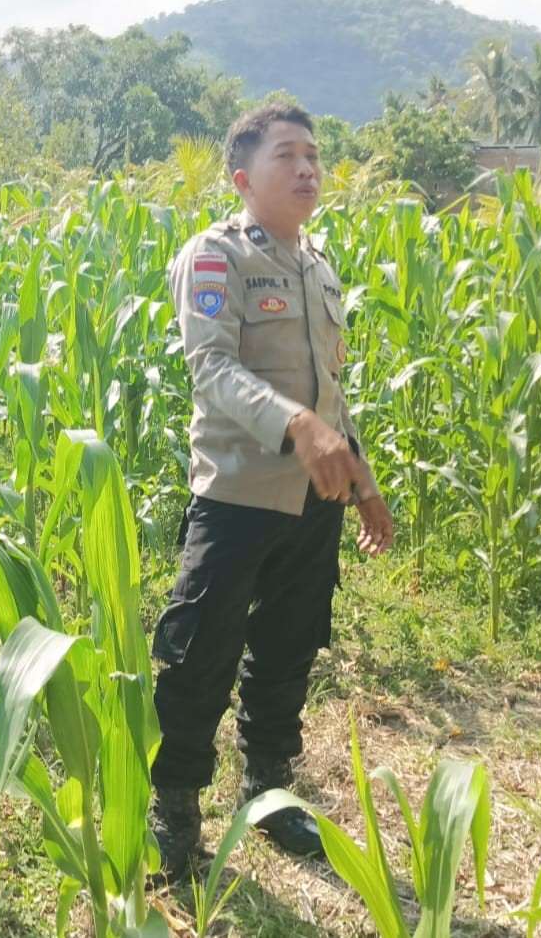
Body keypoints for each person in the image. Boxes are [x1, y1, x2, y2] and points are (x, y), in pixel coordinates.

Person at [148, 102, 395, 883]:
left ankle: (269, 788)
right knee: (199, 656)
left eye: (315, 156)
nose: (307, 170)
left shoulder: (317, 266)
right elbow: (213, 370)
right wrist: (298, 428)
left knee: (289, 649)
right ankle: (177, 804)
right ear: (242, 177)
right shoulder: (216, 257)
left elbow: (332, 392)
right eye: (287, 155)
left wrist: (362, 481)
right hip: (238, 497)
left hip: (313, 503)